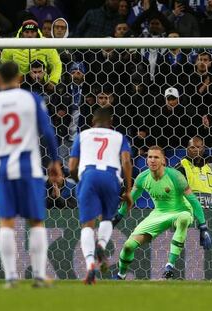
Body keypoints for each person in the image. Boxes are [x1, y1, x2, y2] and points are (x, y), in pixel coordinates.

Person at [0, 61, 62, 288]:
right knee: (36, 221)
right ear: (20, 78)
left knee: (6, 222)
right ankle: (39, 275)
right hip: (30, 167)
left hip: (4, 169)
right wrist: (54, 161)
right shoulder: (32, 99)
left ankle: (11, 277)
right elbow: (48, 132)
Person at [112, 146, 212, 280]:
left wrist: (203, 226)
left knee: (183, 218)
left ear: (163, 161)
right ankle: (121, 275)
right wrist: (117, 217)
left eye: (156, 157)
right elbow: (131, 200)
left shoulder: (175, 176)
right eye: (150, 157)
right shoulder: (142, 178)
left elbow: (193, 201)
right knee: (129, 246)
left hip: (182, 210)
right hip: (159, 213)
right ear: (146, 160)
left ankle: (169, 266)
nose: (152, 160)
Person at [69, 107, 133, 284]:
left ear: (92, 123)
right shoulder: (119, 137)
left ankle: (90, 264)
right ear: (111, 124)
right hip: (111, 177)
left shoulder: (82, 136)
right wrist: (127, 190)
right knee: (106, 219)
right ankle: (101, 245)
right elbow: (126, 161)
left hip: (88, 176)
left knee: (87, 225)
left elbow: (72, 166)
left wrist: (80, 181)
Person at [0, 19, 62, 92]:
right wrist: (11, 81)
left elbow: (56, 64)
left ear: (37, 32)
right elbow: (4, 65)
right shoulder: (12, 45)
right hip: (18, 86)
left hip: (42, 85)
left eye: (32, 32)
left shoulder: (46, 44)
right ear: (22, 32)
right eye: (27, 32)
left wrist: (53, 81)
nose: (29, 35)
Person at [175, 136, 212, 209]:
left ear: (203, 149)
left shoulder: (210, 165)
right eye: (192, 147)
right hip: (191, 210)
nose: (195, 150)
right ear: (187, 149)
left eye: (198, 147)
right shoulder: (181, 166)